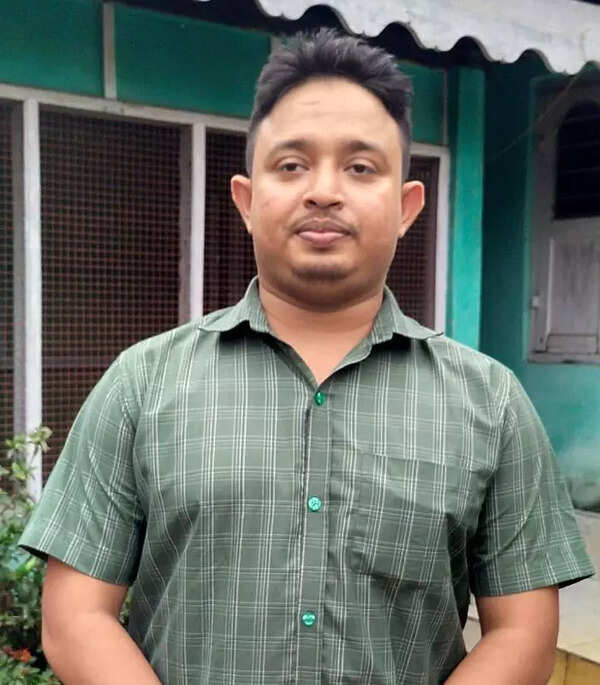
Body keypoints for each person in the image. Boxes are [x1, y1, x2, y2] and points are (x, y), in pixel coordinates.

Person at [20, 28, 593, 685]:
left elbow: (523, 631)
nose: (323, 191)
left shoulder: (491, 402)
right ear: (246, 199)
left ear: (407, 207)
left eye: (360, 167)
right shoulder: (142, 385)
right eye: (291, 165)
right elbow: (76, 617)